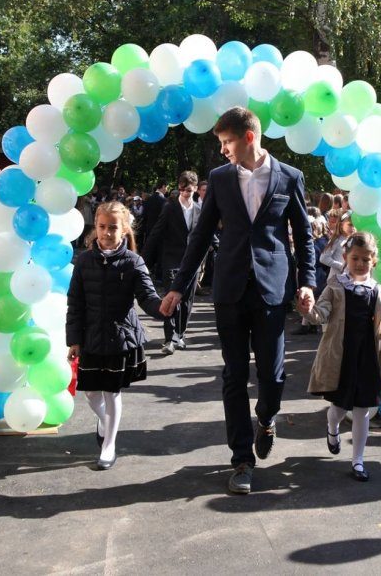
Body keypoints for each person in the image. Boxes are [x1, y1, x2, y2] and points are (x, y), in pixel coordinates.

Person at [160, 107, 315, 494]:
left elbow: (304, 236)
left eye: (227, 142)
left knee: (272, 376)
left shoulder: (289, 177)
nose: (223, 149)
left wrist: (308, 283)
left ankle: (267, 417)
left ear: (249, 137)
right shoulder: (220, 178)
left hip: (271, 290)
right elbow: (201, 236)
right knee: (233, 376)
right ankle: (242, 460)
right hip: (229, 289)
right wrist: (178, 286)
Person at [66, 201, 163, 469]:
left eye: (112, 227)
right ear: (95, 228)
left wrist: (163, 308)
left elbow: (147, 297)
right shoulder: (84, 261)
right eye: (102, 227)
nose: (107, 233)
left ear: (124, 230)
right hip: (90, 337)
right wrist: (74, 339)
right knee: (91, 393)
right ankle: (105, 421)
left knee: (111, 392)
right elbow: (75, 303)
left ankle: (109, 445)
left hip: (119, 338)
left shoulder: (133, 261)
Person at [298, 231, 381, 481]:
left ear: (373, 261)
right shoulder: (336, 286)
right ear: (345, 258)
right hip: (342, 358)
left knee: (362, 410)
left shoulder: (377, 291)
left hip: (367, 357)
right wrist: (308, 310)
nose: (360, 263)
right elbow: (320, 314)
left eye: (366, 259)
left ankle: (358, 461)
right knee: (339, 408)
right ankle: (332, 427)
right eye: (355, 258)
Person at [142, 171, 201, 355]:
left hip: (192, 262)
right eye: (181, 189)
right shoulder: (170, 208)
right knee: (171, 299)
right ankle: (169, 339)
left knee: (187, 301)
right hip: (172, 260)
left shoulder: (200, 210)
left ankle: (179, 335)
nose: (184, 193)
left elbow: (206, 236)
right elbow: (156, 233)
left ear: (195, 189)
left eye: (188, 190)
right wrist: (142, 261)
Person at [320, 210, 355, 280]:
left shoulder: (352, 240)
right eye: (350, 225)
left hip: (348, 279)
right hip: (336, 279)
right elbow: (323, 258)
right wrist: (341, 266)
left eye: (354, 225)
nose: (353, 228)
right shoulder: (337, 240)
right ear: (341, 225)